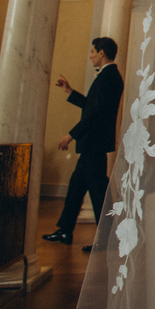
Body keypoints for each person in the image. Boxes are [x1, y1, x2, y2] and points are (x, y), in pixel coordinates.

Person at [43, 37, 124, 249]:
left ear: (102, 53)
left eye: (92, 52)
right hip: (93, 144)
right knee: (76, 188)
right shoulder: (109, 76)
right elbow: (91, 106)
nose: (90, 56)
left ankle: (108, 238)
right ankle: (65, 231)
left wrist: (71, 135)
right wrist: (69, 91)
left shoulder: (108, 77)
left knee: (99, 193)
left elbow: (95, 114)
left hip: (93, 143)